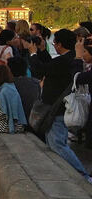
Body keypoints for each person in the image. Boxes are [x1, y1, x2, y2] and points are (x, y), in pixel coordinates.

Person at [27, 28, 92, 183]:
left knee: (57, 143)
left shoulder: (67, 60)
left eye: (55, 42)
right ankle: (65, 173)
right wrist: (42, 50)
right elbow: (51, 65)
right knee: (53, 142)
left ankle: (83, 176)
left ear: (60, 44)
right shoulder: (67, 58)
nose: (54, 45)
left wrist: (33, 53)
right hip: (57, 107)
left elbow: (41, 69)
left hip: (58, 108)